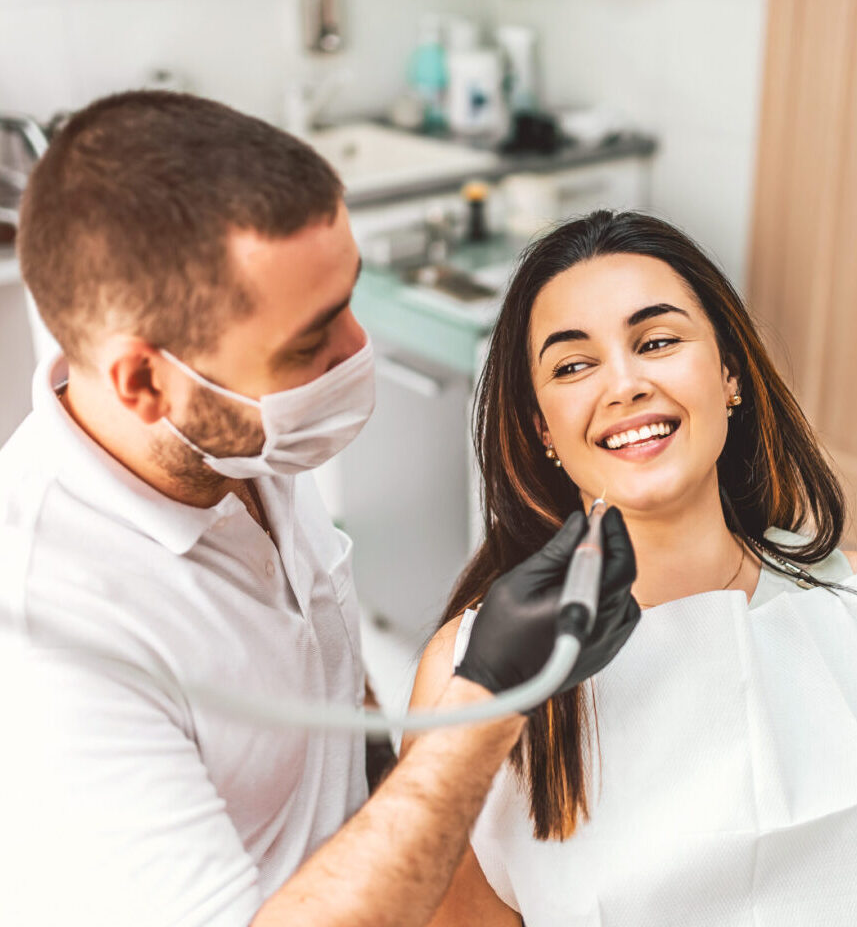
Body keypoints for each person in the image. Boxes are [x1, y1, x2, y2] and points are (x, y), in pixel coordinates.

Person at [0, 92, 639, 927]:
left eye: (348, 299)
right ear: (145, 381)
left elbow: (327, 679)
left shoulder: (239, 443)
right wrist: (482, 715)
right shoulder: (48, 637)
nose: (356, 350)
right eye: (309, 342)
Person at [408, 210, 857, 926]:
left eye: (656, 341)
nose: (624, 385)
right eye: (573, 365)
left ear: (727, 373)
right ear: (541, 429)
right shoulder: (471, 674)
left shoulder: (841, 609)